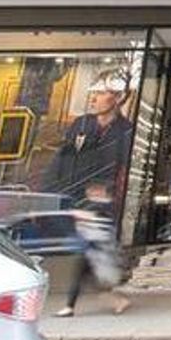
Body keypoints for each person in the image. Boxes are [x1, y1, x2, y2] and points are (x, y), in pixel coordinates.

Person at [46, 68, 135, 203]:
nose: (93, 99)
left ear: (119, 97)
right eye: (94, 92)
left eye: (101, 93)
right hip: (66, 197)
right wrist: (48, 194)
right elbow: (60, 162)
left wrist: (111, 193)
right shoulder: (81, 123)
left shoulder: (127, 132)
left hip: (99, 204)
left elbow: (126, 177)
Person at [54, 182, 130, 317]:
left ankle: (119, 301)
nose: (90, 197)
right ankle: (69, 307)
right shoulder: (97, 206)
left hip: (101, 252)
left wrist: (78, 215)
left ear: (101, 192)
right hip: (91, 251)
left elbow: (95, 219)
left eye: (93, 193)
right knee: (81, 278)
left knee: (93, 282)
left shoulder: (107, 207)